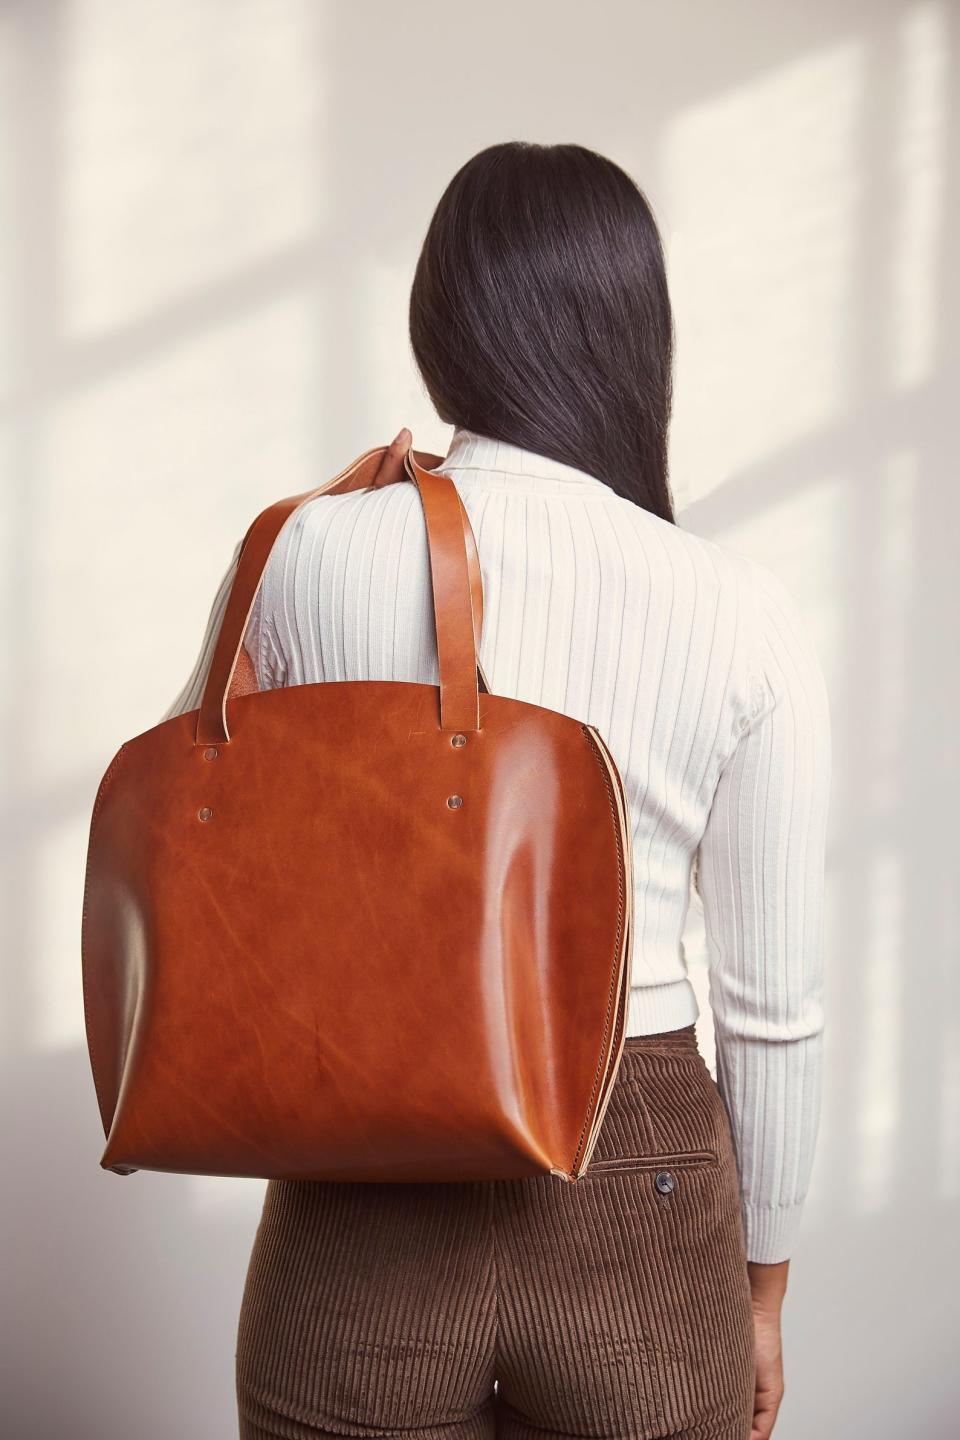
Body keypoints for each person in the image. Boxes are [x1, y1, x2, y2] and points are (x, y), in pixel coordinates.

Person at [163, 142, 831, 1440]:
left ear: (441, 319)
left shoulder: (304, 550)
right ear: (640, 335)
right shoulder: (740, 613)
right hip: (636, 1179)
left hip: (363, 1169)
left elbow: (214, 825)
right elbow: (772, 1012)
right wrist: (762, 1291)